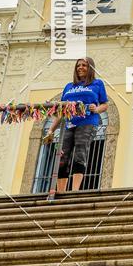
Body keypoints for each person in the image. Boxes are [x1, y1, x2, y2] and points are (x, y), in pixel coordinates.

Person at [43, 57, 108, 192]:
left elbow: (105, 104)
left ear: (91, 68)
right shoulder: (69, 86)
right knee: (62, 155)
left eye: (84, 65)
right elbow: (62, 111)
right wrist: (51, 130)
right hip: (69, 124)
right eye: (78, 65)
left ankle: (75, 191)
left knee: (80, 152)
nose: (80, 67)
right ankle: (61, 191)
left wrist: (96, 109)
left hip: (87, 123)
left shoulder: (97, 84)